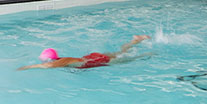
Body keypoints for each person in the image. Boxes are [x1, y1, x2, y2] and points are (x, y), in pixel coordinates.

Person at [18, 35, 150, 70]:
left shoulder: (62, 61)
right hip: (92, 58)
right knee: (120, 53)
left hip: (97, 60)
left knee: (128, 58)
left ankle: (147, 53)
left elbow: (49, 66)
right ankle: (135, 41)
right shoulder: (63, 60)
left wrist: (27, 67)